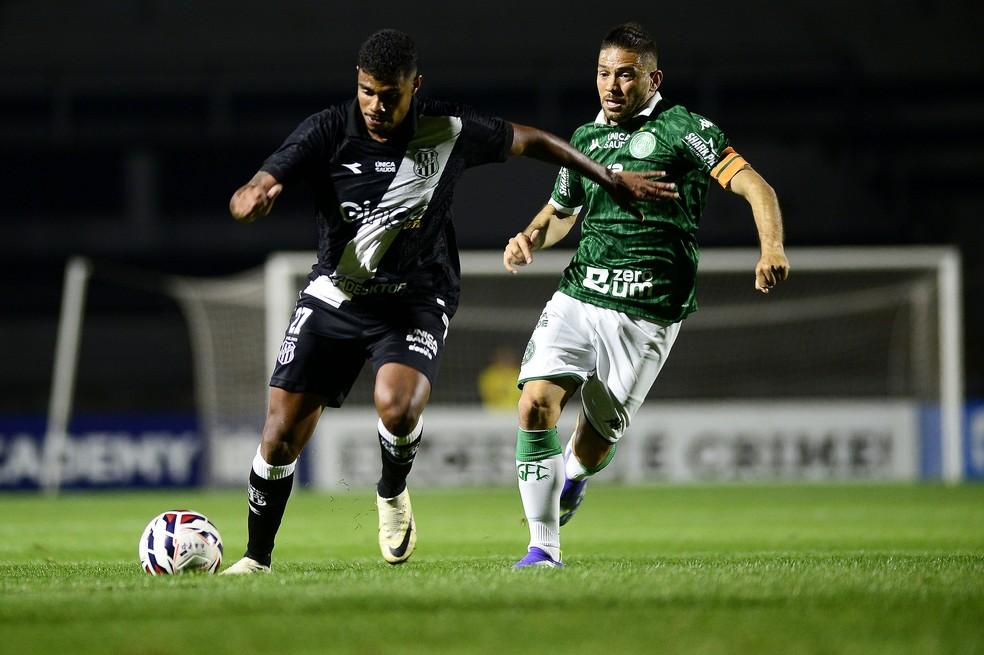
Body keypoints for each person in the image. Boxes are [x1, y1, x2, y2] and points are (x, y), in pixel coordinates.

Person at [221, 28, 678, 574]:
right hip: (337, 293)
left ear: (415, 86)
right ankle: (256, 558)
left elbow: (531, 140)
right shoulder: (327, 129)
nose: (376, 105)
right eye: (367, 91)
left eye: (390, 94)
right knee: (278, 437)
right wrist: (254, 192)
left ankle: (391, 491)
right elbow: (263, 179)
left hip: (416, 297)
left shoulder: (448, 128)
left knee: (398, 404)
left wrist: (606, 177)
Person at [503, 22, 789, 568]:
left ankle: (576, 476)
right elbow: (561, 213)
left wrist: (770, 248)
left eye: (625, 75)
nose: (612, 86)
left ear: (653, 78)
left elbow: (757, 186)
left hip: (647, 312)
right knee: (534, 405)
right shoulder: (585, 138)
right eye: (604, 74)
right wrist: (531, 237)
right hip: (580, 294)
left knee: (591, 444)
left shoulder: (684, 129)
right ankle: (543, 548)